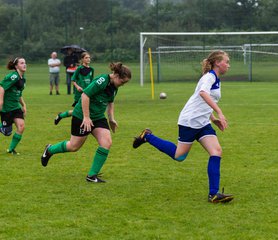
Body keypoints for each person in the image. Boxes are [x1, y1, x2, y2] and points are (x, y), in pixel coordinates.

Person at [133, 50, 234, 203]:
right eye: (226, 62)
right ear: (218, 63)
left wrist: (212, 118)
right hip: (190, 121)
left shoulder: (216, 79)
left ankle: (213, 194)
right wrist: (219, 112)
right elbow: (202, 93)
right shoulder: (209, 77)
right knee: (179, 156)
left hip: (203, 122)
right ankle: (147, 136)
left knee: (216, 151)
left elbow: (203, 103)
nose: (228, 65)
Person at [41, 62, 131, 183]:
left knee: (106, 142)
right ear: (116, 75)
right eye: (123, 82)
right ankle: (50, 150)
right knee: (74, 146)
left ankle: (91, 175)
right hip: (82, 116)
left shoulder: (115, 87)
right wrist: (86, 117)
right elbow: (85, 95)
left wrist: (111, 119)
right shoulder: (102, 80)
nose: (123, 85)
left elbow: (110, 102)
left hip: (98, 117)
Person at [54, 52, 94, 125]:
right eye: (86, 58)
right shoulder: (79, 69)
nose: (88, 59)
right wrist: (77, 86)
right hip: (79, 94)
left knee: (82, 111)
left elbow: (91, 81)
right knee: (79, 111)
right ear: (82, 59)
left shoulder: (91, 69)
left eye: (89, 57)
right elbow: (73, 79)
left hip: (88, 93)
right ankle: (62, 116)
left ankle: (61, 115)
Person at [0, 57, 27, 155]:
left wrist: (23, 105)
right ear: (16, 66)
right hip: (7, 108)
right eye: (21, 63)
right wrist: (1, 101)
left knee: (21, 127)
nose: (24, 65)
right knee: (7, 133)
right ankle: (2, 127)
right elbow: (2, 87)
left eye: (25, 63)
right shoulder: (13, 76)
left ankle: (11, 150)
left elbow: (18, 94)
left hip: (15, 107)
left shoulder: (22, 79)